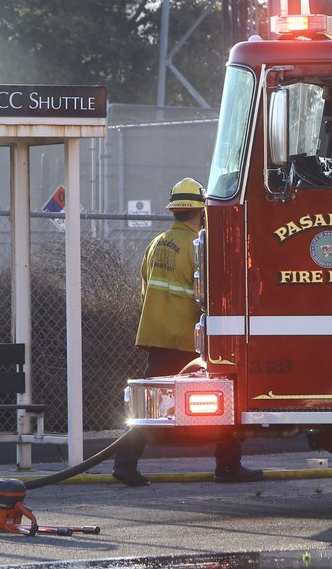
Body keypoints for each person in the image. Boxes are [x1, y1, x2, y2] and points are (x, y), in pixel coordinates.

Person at [112, 177, 264, 487]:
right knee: (226, 397)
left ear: (174, 211)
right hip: (188, 339)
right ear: (202, 212)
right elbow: (210, 296)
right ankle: (228, 466)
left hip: (156, 335)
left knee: (149, 405)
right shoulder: (200, 246)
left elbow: (145, 290)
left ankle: (124, 464)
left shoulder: (156, 244)